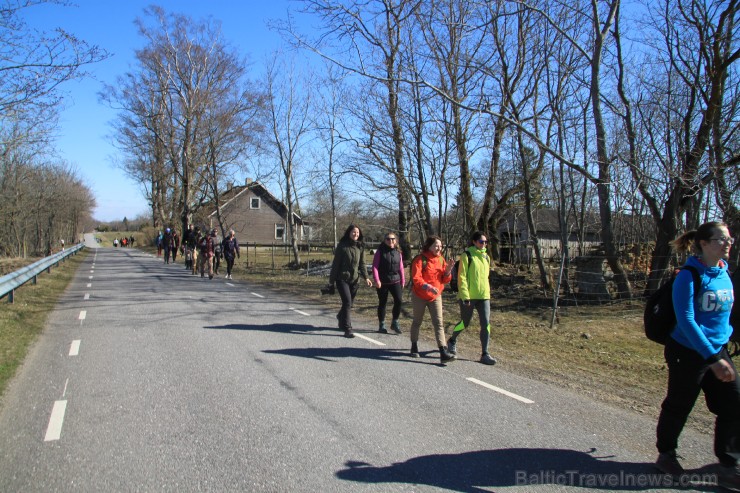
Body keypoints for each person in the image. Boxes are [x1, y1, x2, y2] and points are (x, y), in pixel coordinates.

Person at [654, 221, 738, 491]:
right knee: (679, 405)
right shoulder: (688, 275)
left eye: (729, 238)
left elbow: (723, 315)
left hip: (717, 350)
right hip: (687, 351)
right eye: (721, 239)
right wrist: (713, 359)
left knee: (734, 403)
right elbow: (687, 320)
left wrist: (727, 339)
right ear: (704, 243)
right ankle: (666, 455)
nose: (728, 243)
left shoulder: (724, 272)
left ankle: (728, 464)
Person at [447, 231, 496, 365]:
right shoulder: (467, 255)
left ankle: (485, 353)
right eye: (481, 241)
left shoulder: (486, 257)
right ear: (474, 242)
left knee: (486, 324)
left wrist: (488, 293)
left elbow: (486, 277)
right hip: (468, 296)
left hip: (484, 296)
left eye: (485, 242)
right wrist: (465, 295)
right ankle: (452, 340)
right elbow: (461, 277)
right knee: (464, 323)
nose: (484, 244)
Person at [408, 235, 456, 364]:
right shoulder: (420, 259)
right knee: (417, 321)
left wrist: (448, 270)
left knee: (438, 323)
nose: (439, 248)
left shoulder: (441, 260)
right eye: (436, 245)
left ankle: (443, 351)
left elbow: (445, 280)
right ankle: (414, 346)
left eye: (440, 246)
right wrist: (427, 286)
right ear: (429, 246)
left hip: (435, 296)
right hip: (419, 295)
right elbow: (416, 278)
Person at [329, 224, 373, 338]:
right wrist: (331, 281)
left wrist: (366, 277)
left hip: (355, 280)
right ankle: (348, 328)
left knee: (349, 304)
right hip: (342, 279)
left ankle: (340, 316)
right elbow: (336, 264)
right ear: (349, 233)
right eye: (353, 232)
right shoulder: (342, 246)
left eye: (357, 233)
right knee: (347, 302)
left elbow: (362, 264)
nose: (356, 234)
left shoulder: (360, 247)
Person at [372, 232, 405, 334]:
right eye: (388, 239)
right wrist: (377, 280)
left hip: (396, 280)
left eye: (393, 239)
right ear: (384, 240)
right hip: (383, 281)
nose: (391, 241)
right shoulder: (380, 252)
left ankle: (395, 322)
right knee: (383, 303)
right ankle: (381, 325)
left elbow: (401, 267)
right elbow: (375, 267)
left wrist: (403, 280)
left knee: (399, 300)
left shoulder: (398, 252)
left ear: (396, 240)